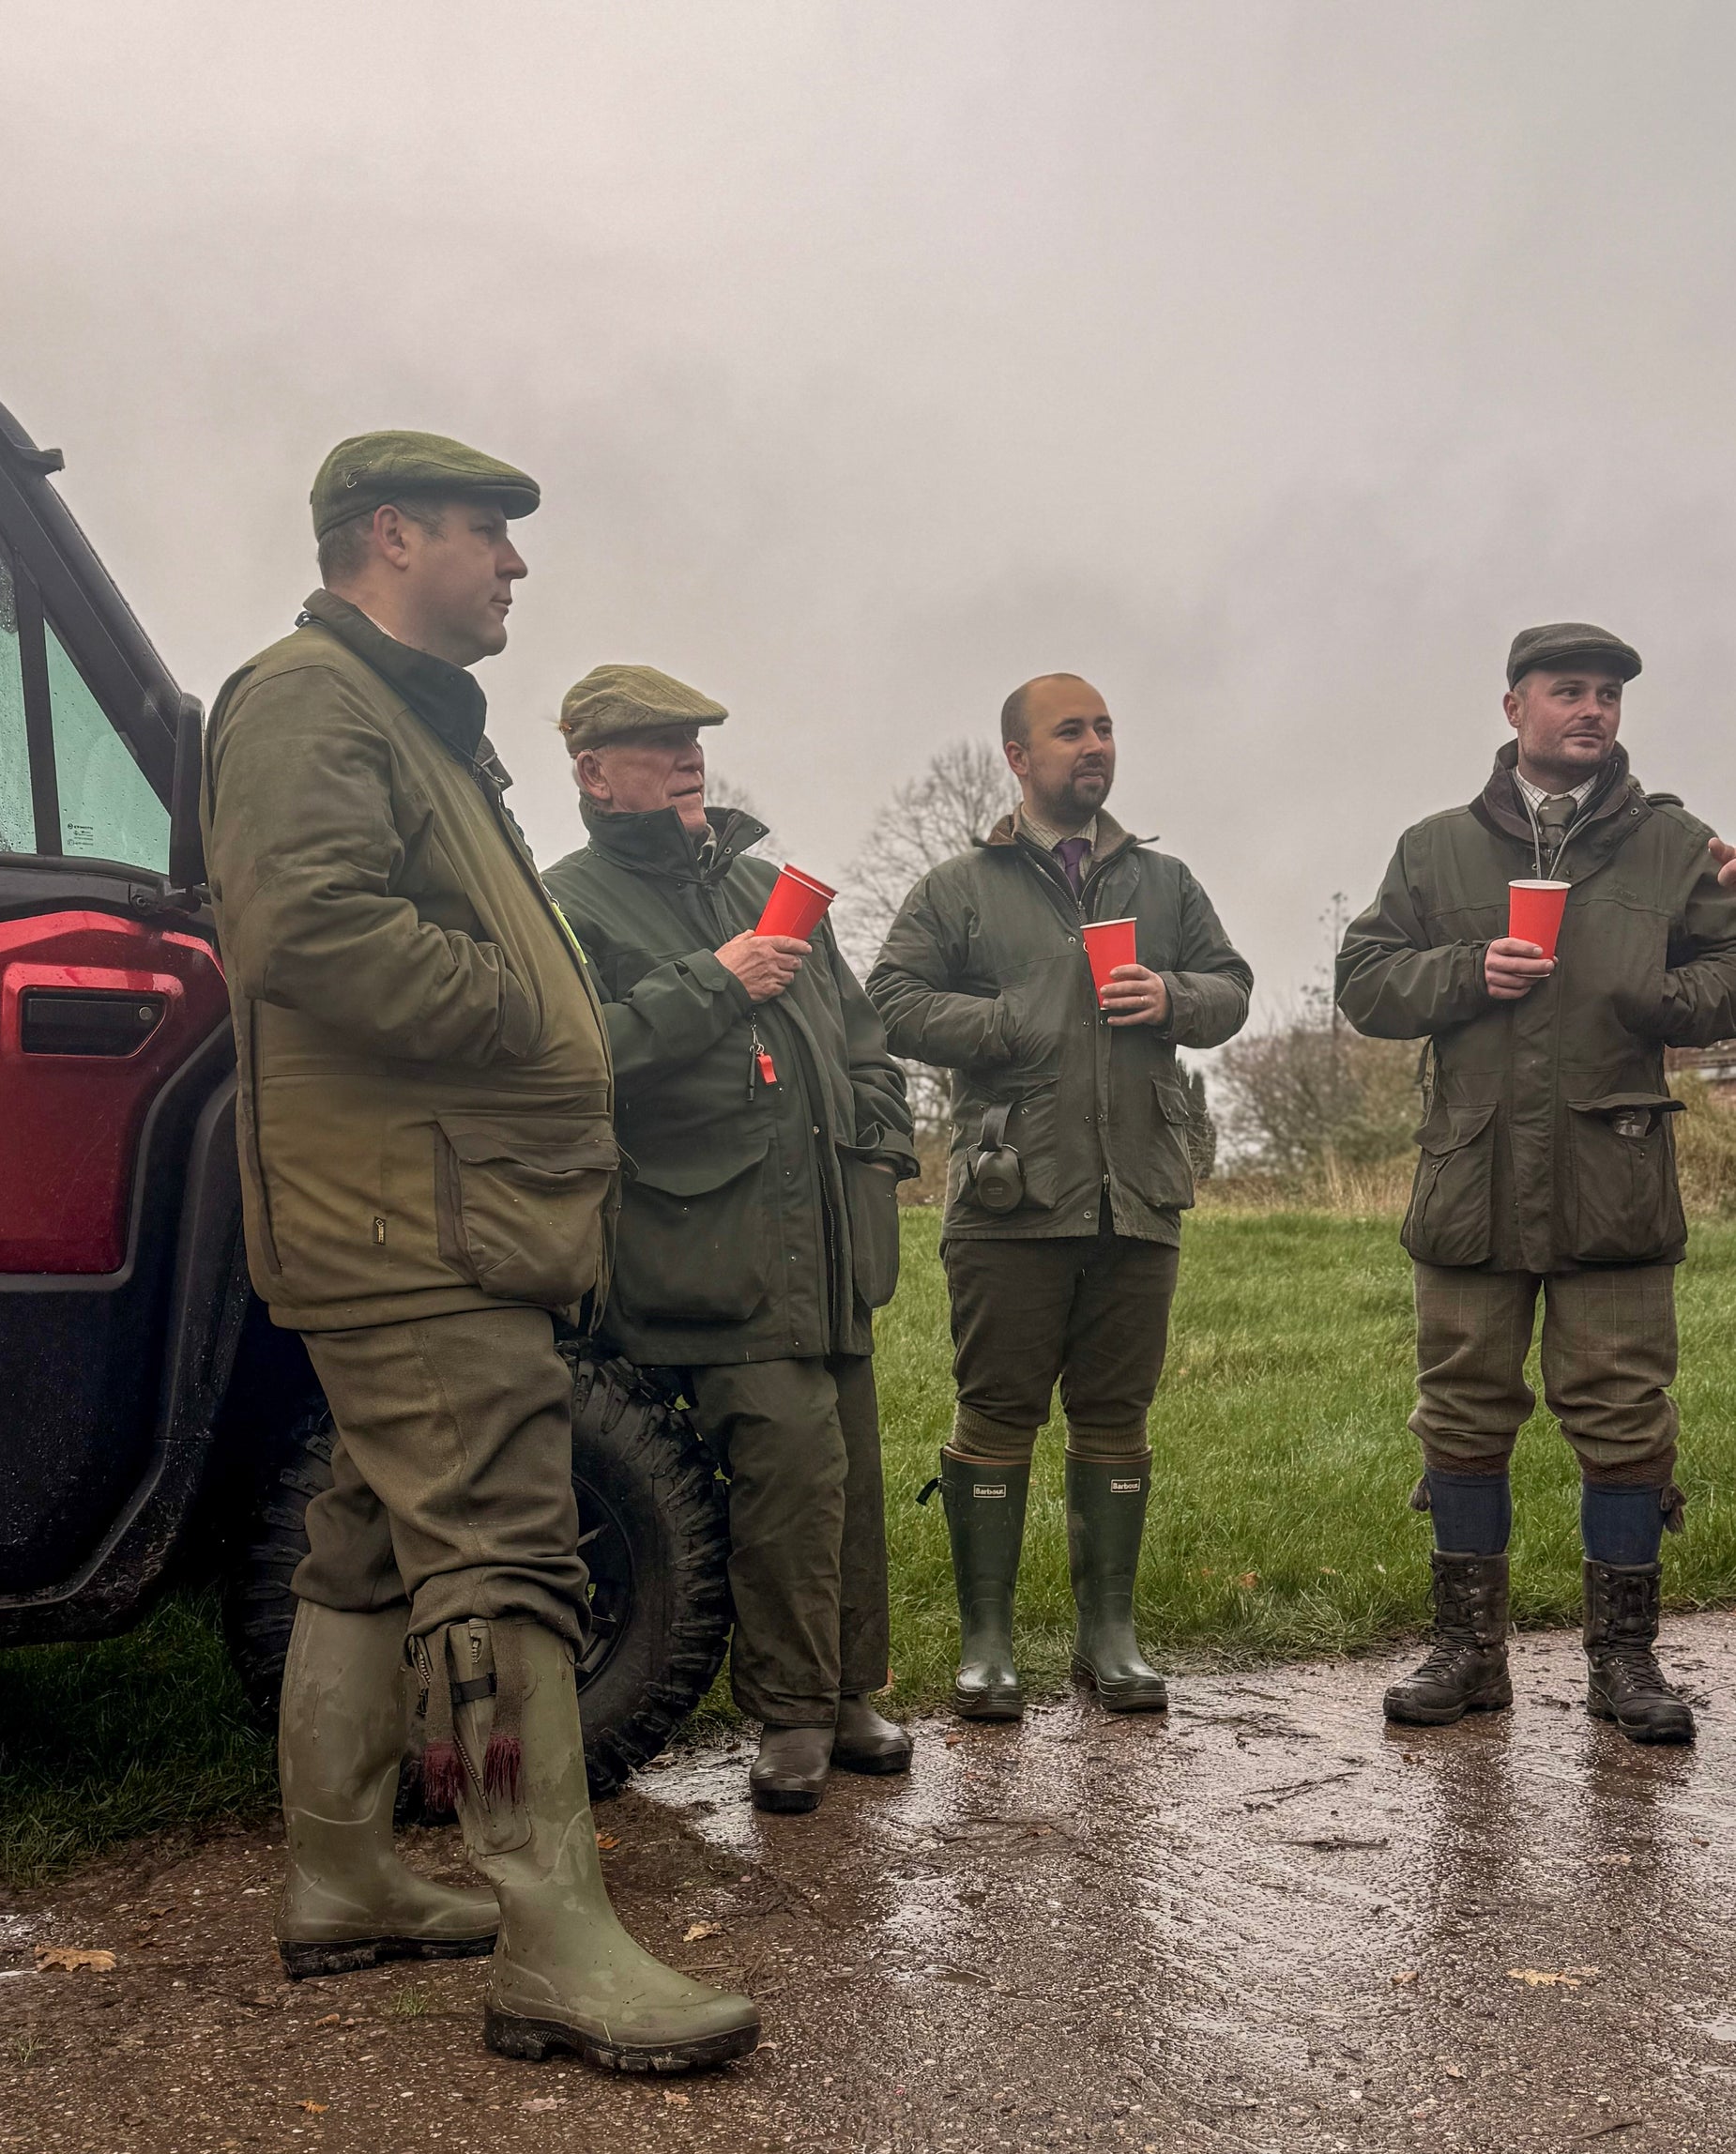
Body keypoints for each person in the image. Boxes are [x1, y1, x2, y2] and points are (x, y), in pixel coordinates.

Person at [200, 437, 756, 2072]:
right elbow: (307, 927)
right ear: (391, 535)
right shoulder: (313, 698)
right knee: (511, 1544)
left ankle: (343, 1876)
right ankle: (552, 1936)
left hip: (423, 1205)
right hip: (408, 1216)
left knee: (367, 1539)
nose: (513, 566)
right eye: (484, 536)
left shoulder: (414, 720)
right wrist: (535, 1020)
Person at [1335, 622, 1736, 1743]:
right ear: (1513, 707)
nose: (1592, 710)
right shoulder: (1432, 850)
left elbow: (1726, 976)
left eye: (1607, 694)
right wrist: (1466, 972)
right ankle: (1466, 1656)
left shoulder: (1676, 846)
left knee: (1620, 1415)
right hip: (1469, 1180)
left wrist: (1656, 997)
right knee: (1460, 1406)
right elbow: (1361, 981)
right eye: (1569, 691)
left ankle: (1624, 1663)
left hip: (1612, 1180)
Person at [542, 665, 918, 1814]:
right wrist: (712, 982)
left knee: (839, 1471)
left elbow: (853, 1029)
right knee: (785, 1472)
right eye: (655, 744)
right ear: (593, 774)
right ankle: (793, 1715)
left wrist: (880, 1142)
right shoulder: (569, 899)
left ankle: (850, 1692)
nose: (688, 756)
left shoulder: (766, 882)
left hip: (827, 1240)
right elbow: (577, 1054)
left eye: (694, 738)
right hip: (709, 1241)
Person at [865, 672, 1251, 1721]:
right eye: (1068, 730)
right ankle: (987, 1645)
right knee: (996, 1412)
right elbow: (888, 998)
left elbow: (1231, 985)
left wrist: (1171, 996)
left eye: (1105, 728)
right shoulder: (957, 887)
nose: (1093, 745)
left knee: (1116, 1413)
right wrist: (1009, 1024)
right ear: (1018, 757)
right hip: (1008, 1196)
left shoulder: (1163, 885)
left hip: (1138, 1196)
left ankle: (1106, 1637)